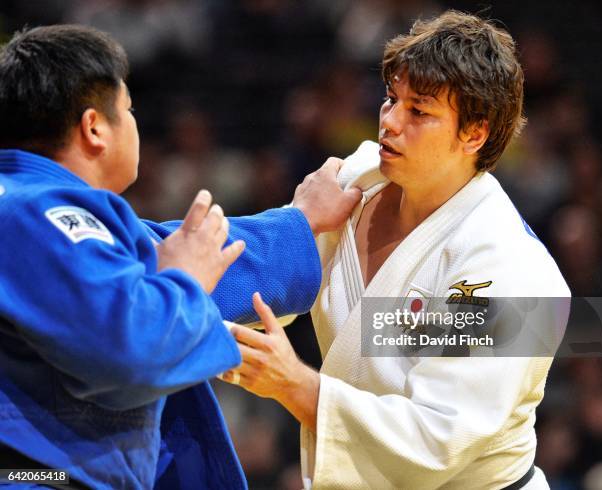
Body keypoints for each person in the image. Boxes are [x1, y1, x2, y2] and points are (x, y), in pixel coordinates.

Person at [0, 25, 362, 489]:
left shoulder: (32, 209)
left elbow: (167, 259)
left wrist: (301, 221)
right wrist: (184, 279)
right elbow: (134, 347)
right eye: (129, 110)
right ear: (94, 127)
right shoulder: (38, 214)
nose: (136, 123)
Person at [223, 10, 571, 489]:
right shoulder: (352, 180)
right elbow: (270, 281)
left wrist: (294, 384)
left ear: (475, 132)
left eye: (419, 111)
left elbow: (435, 440)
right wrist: (295, 225)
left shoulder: (507, 270)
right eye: (391, 99)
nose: (389, 122)